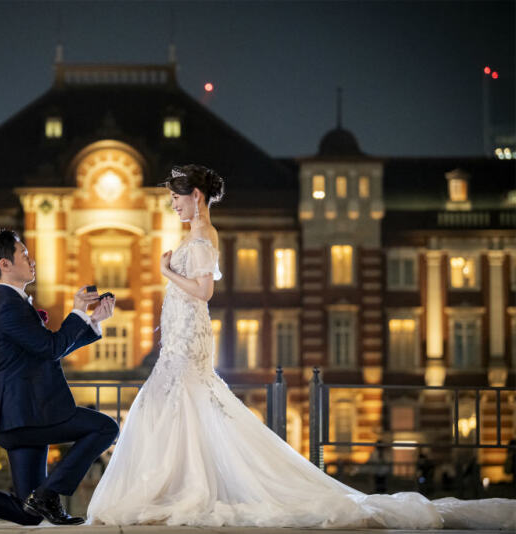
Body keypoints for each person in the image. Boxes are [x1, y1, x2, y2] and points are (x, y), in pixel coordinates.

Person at [87, 164, 516, 529]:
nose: (173, 205)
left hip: (187, 339)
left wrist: (165, 271)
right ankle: (179, 487)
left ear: (196, 195)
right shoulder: (198, 232)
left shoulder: (202, 235)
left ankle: (179, 488)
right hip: (182, 339)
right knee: (180, 410)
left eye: (177, 198)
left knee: (179, 407)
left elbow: (203, 292)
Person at [0, 229, 118, 527]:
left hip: (22, 417)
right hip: (26, 415)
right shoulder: (7, 305)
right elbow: (50, 348)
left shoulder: (13, 302)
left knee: (29, 514)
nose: (32, 260)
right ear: (5, 264)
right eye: (24, 255)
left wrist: (92, 321)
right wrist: (77, 311)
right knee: (105, 428)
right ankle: (50, 493)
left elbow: (45, 350)